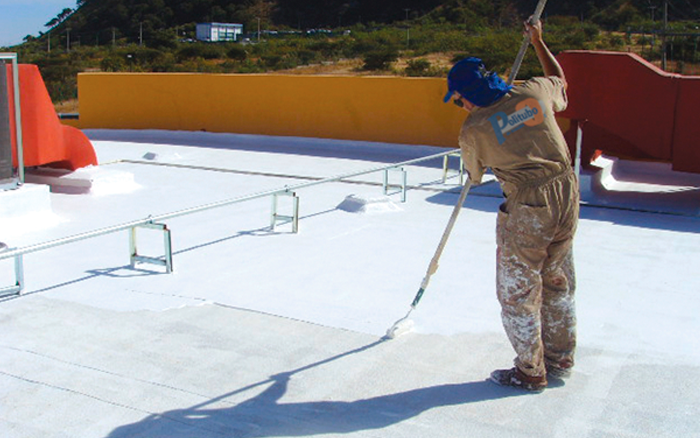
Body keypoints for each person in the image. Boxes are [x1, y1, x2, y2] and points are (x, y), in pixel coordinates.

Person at [444, 19, 579, 392]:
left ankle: (531, 371)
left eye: (458, 99)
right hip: (567, 193)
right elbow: (560, 80)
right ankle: (560, 357)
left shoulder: (475, 128)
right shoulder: (534, 93)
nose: (461, 106)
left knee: (518, 292)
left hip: (530, 206)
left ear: (466, 95)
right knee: (557, 281)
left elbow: (473, 175)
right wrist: (538, 42)